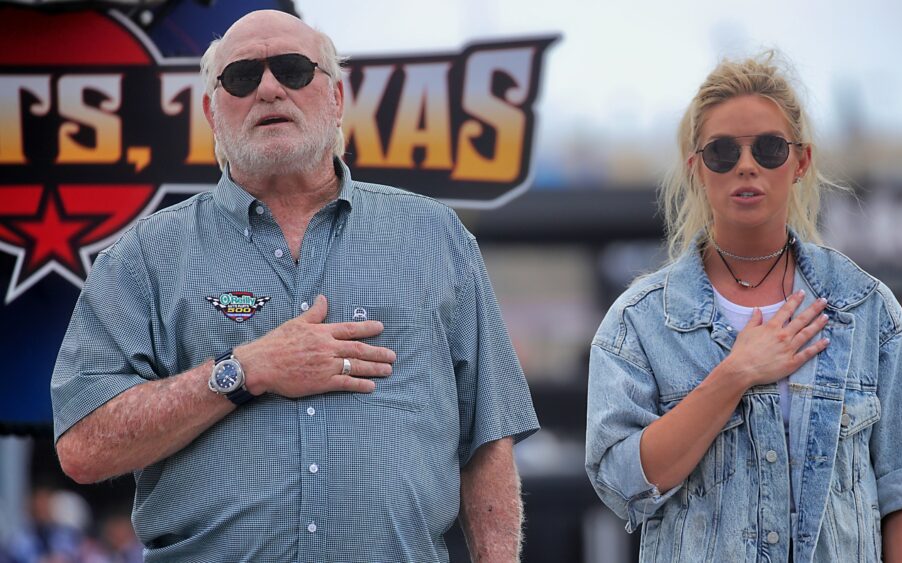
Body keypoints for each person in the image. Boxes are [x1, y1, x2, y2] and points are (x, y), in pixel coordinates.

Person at [50, 10, 538, 562]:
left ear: (335, 98)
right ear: (212, 110)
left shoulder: (435, 235)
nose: (268, 89)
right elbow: (83, 444)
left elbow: (488, 438)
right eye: (241, 77)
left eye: (293, 69)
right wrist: (243, 371)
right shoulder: (144, 256)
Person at [585, 51, 902, 562]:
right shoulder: (638, 322)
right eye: (722, 152)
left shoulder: (867, 311)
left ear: (801, 162)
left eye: (770, 148)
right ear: (697, 170)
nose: (747, 165)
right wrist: (735, 374)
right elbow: (622, 483)